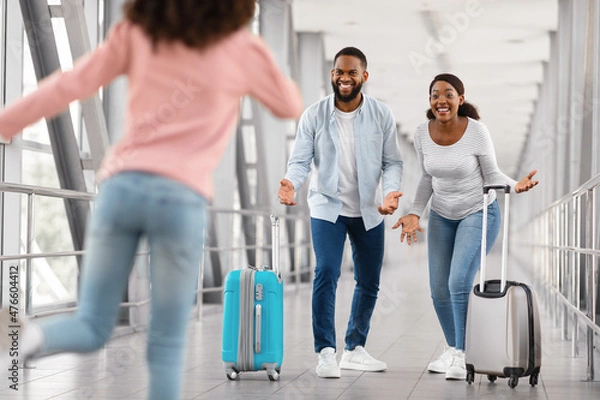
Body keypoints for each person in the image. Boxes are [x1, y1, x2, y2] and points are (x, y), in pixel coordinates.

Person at [0, 1, 302, 399]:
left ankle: (30, 336)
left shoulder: (137, 33)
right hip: (179, 199)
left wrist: (6, 122)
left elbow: (69, 84)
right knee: (165, 344)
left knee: (91, 325)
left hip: (121, 188)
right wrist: (252, 51)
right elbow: (289, 105)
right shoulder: (238, 48)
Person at [392, 73, 538, 381]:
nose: (440, 100)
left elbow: (492, 173)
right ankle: (455, 350)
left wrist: (515, 186)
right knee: (437, 289)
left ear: (460, 98)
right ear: (430, 100)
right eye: (434, 95)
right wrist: (415, 212)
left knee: (458, 282)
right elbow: (428, 178)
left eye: (448, 94)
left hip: (478, 212)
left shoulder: (477, 132)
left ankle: (463, 354)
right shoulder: (421, 133)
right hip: (442, 216)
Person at [277, 46, 403, 379]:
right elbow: (301, 160)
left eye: (351, 72)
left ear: (364, 76)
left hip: (369, 209)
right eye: (338, 72)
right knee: (327, 272)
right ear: (332, 75)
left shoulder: (381, 115)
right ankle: (326, 352)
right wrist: (291, 182)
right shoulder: (314, 115)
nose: (344, 78)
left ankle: (355, 348)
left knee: (369, 280)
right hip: (326, 206)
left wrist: (390, 193)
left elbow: (393, 162)